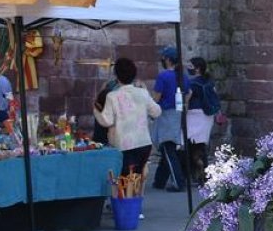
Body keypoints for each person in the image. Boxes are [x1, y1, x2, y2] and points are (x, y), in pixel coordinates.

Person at [94, 57, 161, 178]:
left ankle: (127, 197)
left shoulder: (112, 96)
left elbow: (106, 121)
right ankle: (136, 197)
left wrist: (96, 110)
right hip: (144, 143)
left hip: (124, 145)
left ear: (117, 76)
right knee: (136, 182)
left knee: (124, 183)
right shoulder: (142, 93)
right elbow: (156, 112)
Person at [150, 46, 189, 192]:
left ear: (167, 59)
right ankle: (159, 180)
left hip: (165, 112)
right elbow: (188, 93)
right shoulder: (182, 76)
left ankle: (178, 182)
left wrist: (150, 110)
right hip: (178, 112)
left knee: (167, 147)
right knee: (168, 147)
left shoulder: (163, 76)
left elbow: (157, 96)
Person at [185, 57, 220, 184]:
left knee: (193, 145)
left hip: (194, 115)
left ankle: (197, 174)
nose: (188, 68)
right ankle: (204, 174)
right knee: (201, 145)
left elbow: (187, 98)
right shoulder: (210, 82)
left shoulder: (192, 83)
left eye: (190, 66)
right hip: (207, 116)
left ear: (197, 68)